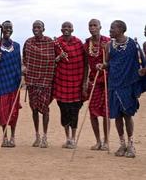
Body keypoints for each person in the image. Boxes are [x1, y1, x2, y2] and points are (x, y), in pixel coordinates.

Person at [100, 20, 144, 158]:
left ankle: (131, 145)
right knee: (117, 116)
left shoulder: (133, 45)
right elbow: (108, 63)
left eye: (112, 28)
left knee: (127, 114)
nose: (110, 30)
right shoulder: (109, 45)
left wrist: (140, 77)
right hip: (113, 84)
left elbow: (142, 62)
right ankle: (122, 144)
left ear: (121, 29)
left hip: (127, 85)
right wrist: (102, 66)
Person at [54, 21, 88, 149]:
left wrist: (84, 81)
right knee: (64, 111)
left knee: (75, 111)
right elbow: (52, 62)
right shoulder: (56, 43)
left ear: (72, 29)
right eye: (64, 27)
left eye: (69, 27)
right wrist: (59, 57)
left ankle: (73, 138)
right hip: (62, 82)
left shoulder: (78, 43)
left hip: (76, 82)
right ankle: (67, 138)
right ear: (61, 29)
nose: (66, 29)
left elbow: (85, 63)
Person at [23, 20, 55, 148]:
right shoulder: (28, 42)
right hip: (32, 81)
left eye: (38, 27)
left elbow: (53, 58)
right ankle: (37, 136)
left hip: (46, 81)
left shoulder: (49, 42)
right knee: (34, 109)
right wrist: (24, 67)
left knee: (45, 109)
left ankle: (45, 137)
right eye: (34, 27)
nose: (36, 29)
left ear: (43, 28)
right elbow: (25, 58)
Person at [0, 21, 21, 147]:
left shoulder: (17, 46)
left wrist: (21, 76)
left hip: (14, 83)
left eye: (10, 28)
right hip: (2, 83)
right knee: (3, 112)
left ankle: (13, 137)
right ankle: (4, 137)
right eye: (6, 28)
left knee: (13, 111)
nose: (8, 30)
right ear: (2, 29)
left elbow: (18, 64)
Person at [84, 19, 110, 151]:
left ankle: (106, 141)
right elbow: (85, 65)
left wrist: (105, 64)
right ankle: (98, 141)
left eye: (95, 25)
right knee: (93, 112)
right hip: (93, 81)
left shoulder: (108, 41)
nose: (92, 27)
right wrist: (84, 82)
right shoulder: (87, 43)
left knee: (106, 112)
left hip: (106, 80)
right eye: (90, 25)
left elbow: (112, 61)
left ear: (100, 27)